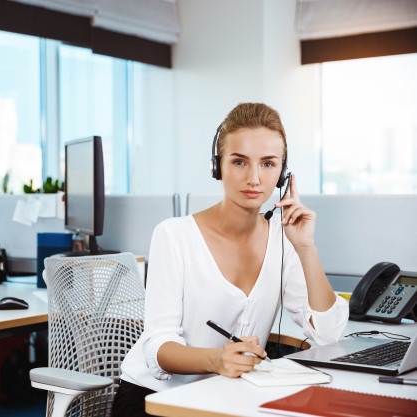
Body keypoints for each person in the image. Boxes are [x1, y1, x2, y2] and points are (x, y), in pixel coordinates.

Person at [111, 102, 349, 417]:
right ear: (218, 166)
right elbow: (158, 347)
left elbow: (328, 334)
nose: (254, 178)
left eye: (267, 164)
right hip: (155, 399)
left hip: (229, 397)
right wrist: (216, 359)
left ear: (282, 174)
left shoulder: (285, 236)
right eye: (239, 162)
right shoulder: (174, 235)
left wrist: (306, 247)